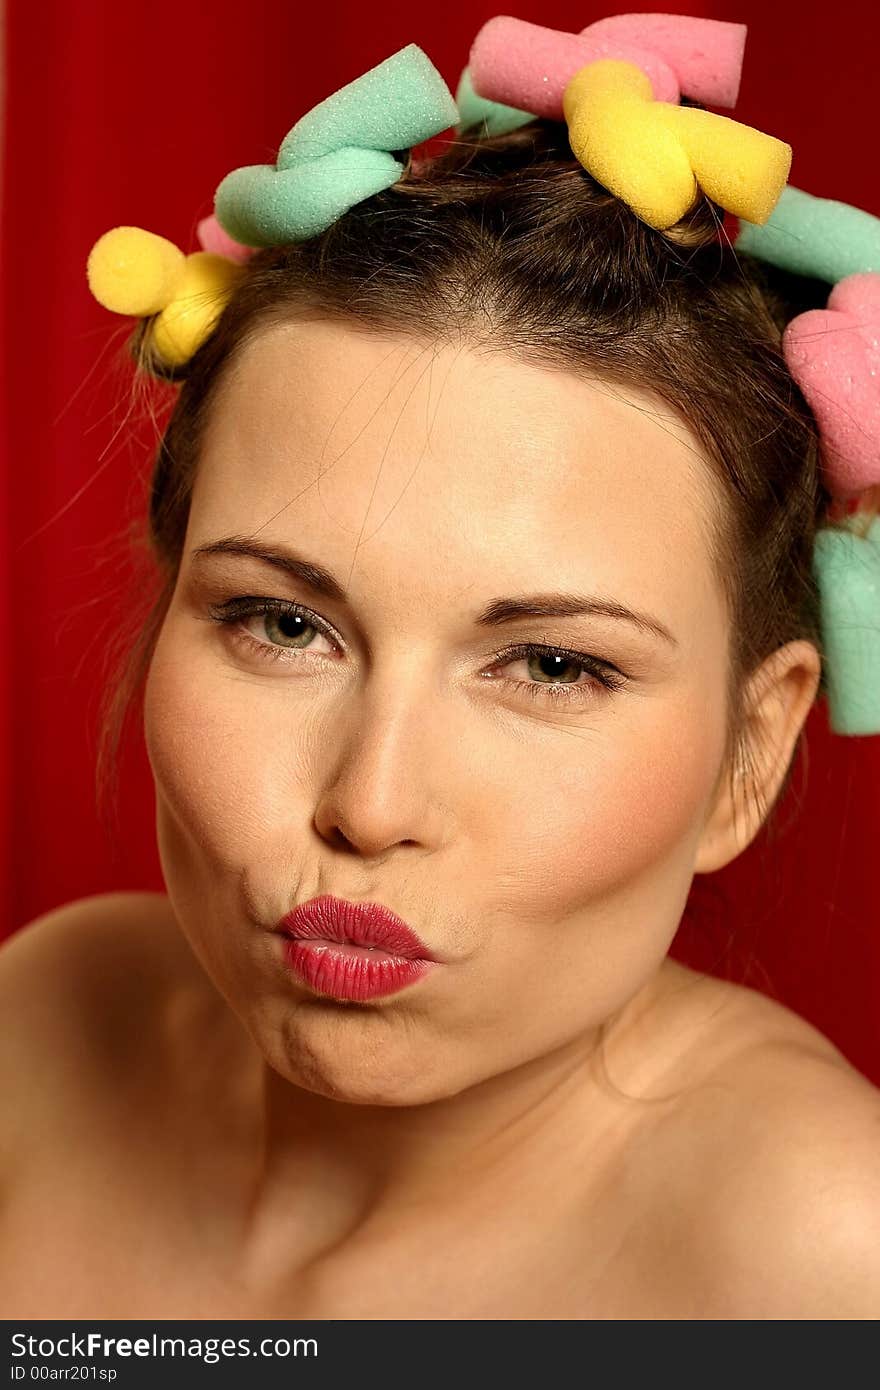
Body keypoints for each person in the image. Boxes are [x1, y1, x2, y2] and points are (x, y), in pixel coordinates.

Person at [2, 21, 880, 1320]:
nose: (372, 799)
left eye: (550, 663)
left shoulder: (822, 1254)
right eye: (282, 623)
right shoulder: (41, 1022)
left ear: (751, 752)